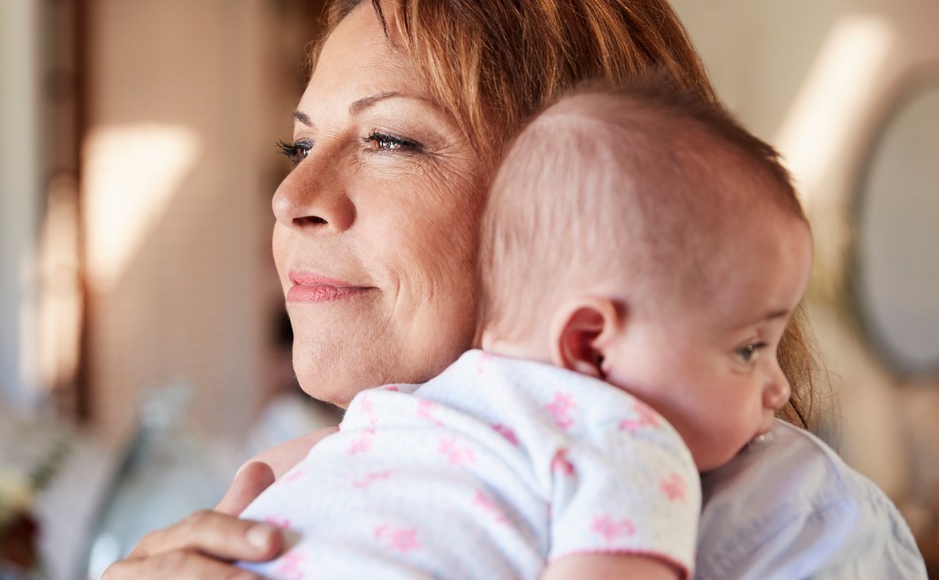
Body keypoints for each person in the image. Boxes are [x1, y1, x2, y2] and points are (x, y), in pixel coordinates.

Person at [103, 0, 926, 578]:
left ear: (587, 205)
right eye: (302, 144)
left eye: (389, 139)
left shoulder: (799, 527)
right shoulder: (303, 481)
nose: (292, 195)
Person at [234, 80, 811, 579]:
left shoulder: (396, 417)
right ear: (589, 343)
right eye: (748, 349)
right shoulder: (628, 443)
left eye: (389, 140)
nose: (288, 199)